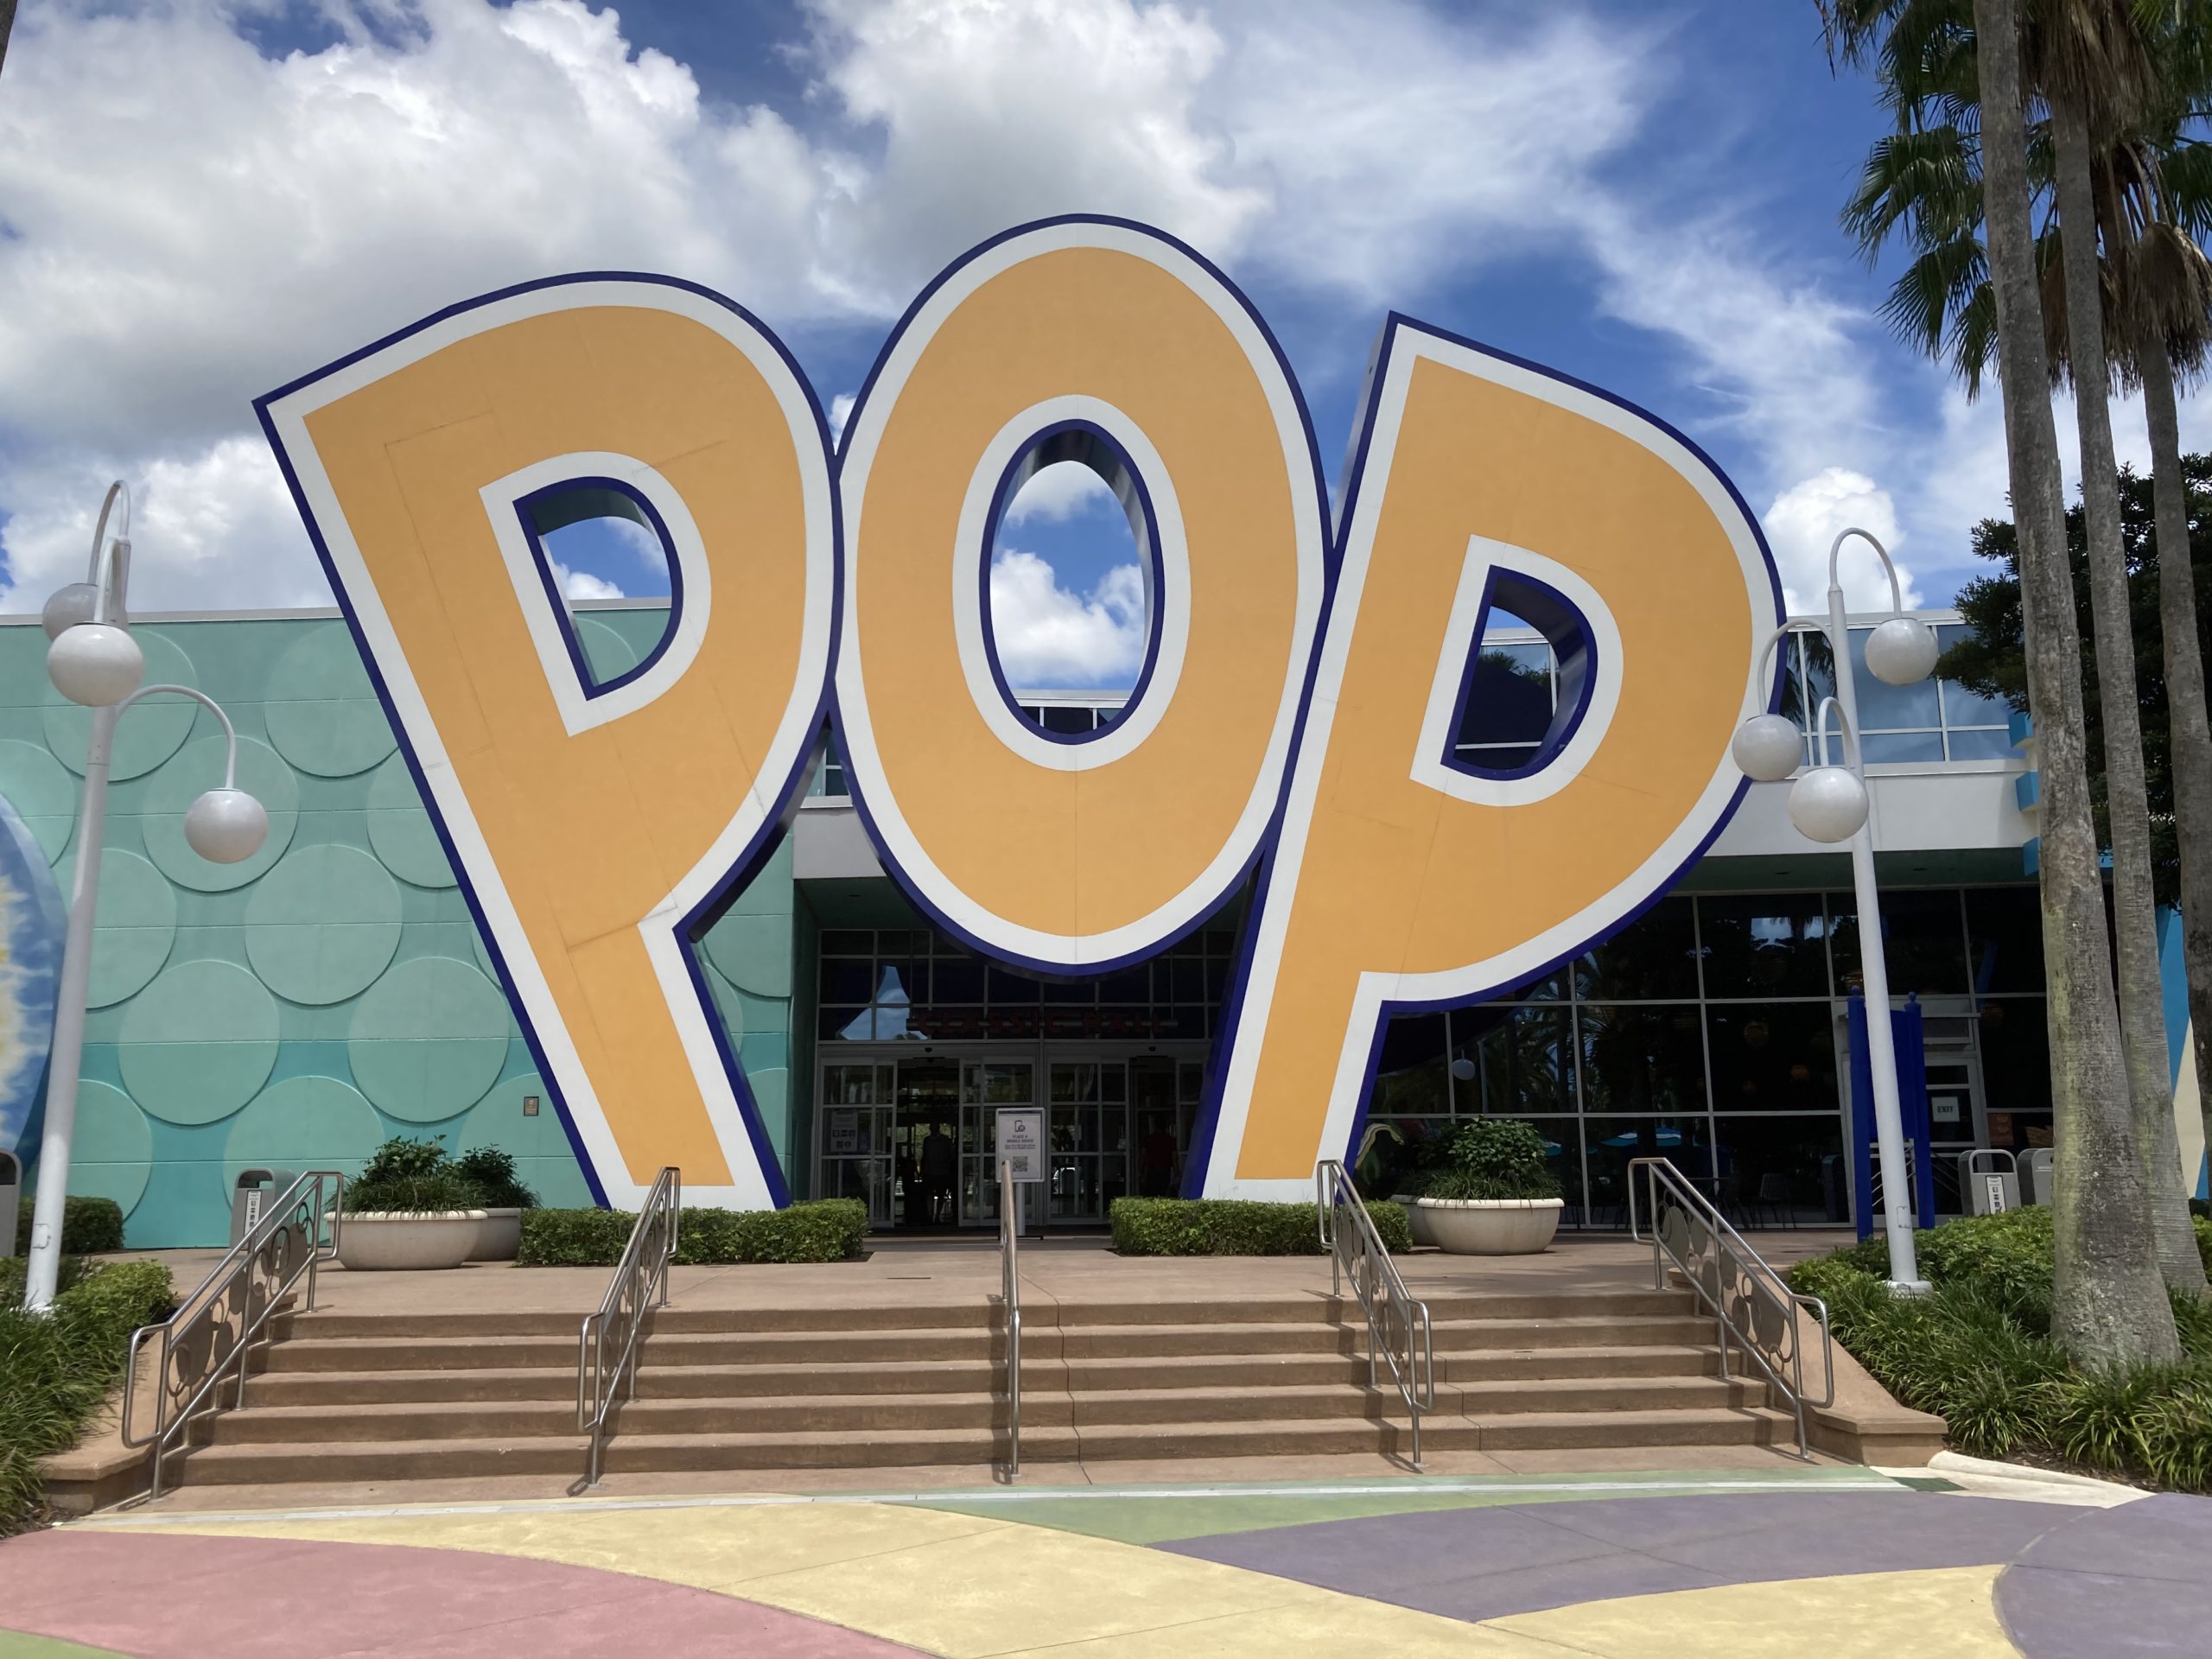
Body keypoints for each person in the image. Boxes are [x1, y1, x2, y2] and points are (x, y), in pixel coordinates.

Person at [919, 1122, 957, 1225]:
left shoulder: (944, 1141)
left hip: (941, 1172)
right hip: (932, 1171)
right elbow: (924, 1156)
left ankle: (935, 1216)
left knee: (939, 1194)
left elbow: (952, 1156)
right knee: (930, 1194)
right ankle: (931, 1215)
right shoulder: (928, 1140)